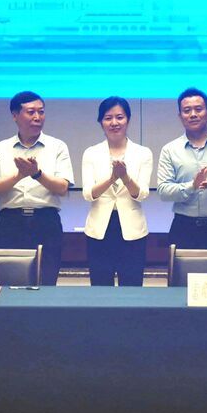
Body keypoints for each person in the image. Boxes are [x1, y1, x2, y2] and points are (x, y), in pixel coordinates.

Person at [0, 91, 74, 286]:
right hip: (10, 222)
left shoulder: (57, 146)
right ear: (15, 115)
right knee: (9, 282)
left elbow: (62, 187)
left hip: (46, 221)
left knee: (47, 283)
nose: (37, 117)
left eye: (41, 112)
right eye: (31, 112)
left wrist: (37, 174)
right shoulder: (0, 148)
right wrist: (19, 175)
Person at [81, 96, 153, 287]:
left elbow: (142, 194)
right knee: (100, 287)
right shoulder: (91, 153)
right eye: (108, 118)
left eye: (119, 117)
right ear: (101, 122)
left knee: (131, 288)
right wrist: (112, 178)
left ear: (128, 120)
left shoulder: (143, 153)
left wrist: (125, 177)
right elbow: (88, 194)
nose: (114, 122)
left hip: (132, 230)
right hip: (99, 229)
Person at [156, 87, 207, 250]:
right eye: (187, 110)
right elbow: (163, 191)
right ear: (180, 116)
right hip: (184, 227)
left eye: (198, 109)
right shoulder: (170, 149)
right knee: (180, 268)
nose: (193, 114)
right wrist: (192, 186)